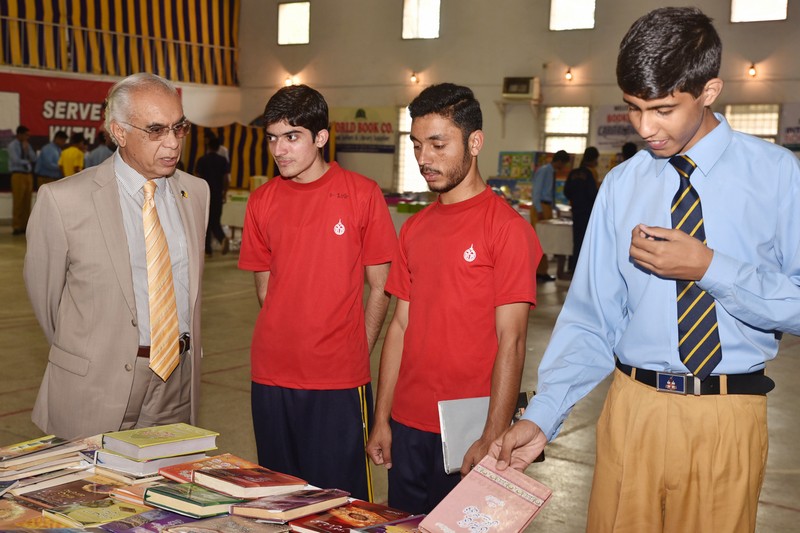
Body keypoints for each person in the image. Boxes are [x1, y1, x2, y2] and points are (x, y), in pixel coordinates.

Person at [491, 7, 800, 532]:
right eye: (633, 108)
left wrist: (710, 267)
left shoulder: (776, 176)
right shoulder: (622, 185)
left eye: (662, 110)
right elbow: (591, 317)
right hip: (632, 411)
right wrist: (543, 415)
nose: (645, 128)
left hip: (727, 414)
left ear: (709, 91)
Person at [366, 83, 542, 514]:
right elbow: (400, 326)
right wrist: (382, 418)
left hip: (469, 429)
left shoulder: (507, 230)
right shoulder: (414, 228)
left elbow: (513, 340)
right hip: (407, 424)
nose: (424, 158)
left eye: (438, 144)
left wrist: (492, 435)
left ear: (474, 142)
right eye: (416, 145)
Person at [24, 73, 210, 440]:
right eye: (156, 130)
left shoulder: (196, 193)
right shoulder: (63, 200)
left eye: (179, 127)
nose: (172, 142)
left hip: (177, 381)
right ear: (119, 132)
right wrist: (92, 351)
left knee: (167, 475)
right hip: (95, 384)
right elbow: (48, 303)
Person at [238, 84, 397, 502]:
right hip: (271, 376)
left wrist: (356, 350)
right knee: (281, 500)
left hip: (339, 380)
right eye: (272, 138)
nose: (279, 149)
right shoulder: (261, 201)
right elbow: (266, 289)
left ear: (321, 137)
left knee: (339, 505)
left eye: (292, 137)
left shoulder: (362, 194)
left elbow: (381, 287)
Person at [531, 150, 570, 282]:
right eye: (564, 164)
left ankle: (542, 271)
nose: (564, 167)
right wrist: (539, 209)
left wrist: (554, 208)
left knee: (545, 241)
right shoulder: (544, 171)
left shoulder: (552, 172)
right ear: (559, 162)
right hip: (540, 207)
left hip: (546, 206)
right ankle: (538, 272)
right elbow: (536, 192)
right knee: (539, 240)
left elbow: (549, 193)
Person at [563, 146, 598, 272]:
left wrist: (575, 200)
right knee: (587, 241)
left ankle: (573, 267)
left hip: (576, 211)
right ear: (594, 159)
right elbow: (593, 194)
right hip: (587, 212)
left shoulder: (573, 172)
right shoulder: (590, 173)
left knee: (576, 240)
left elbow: (566, 191)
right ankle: (582, 269)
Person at [196, 135, 230, 255]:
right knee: (215, 220)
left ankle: (208, 249)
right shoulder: (223, 160)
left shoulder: (202, 160)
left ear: (209, 146)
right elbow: (226, 179)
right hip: (217, 195)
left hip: (205, 194)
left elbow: (198, 179)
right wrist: (224, 193)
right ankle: (221, 239)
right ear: (218, 147)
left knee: (205, 222)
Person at [8, 125, 37, 235]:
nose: (27, 137)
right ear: (19, 134)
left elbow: (34, 158)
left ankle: (25, 226)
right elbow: (15, 160)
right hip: (18, 174)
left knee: (27, 201)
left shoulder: (27, 145)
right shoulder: (12, 145)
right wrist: (27, 161)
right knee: (18, 201)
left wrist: (27, 150)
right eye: (26, 135)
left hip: (28, 175)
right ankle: (16, 226)